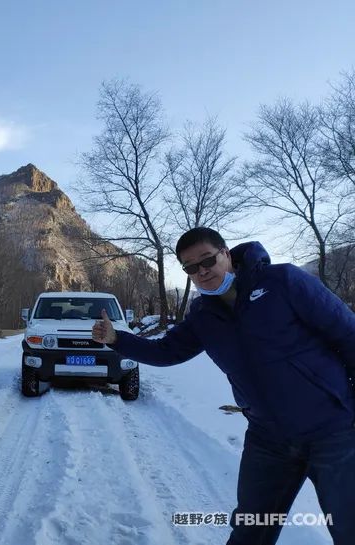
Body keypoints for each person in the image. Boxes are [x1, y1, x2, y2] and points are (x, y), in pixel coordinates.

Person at [92, 227, 355, 545]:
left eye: (207, 260)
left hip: (332, 432)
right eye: (191, 267)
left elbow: (347, 333)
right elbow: (166, 351)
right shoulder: (203, 314)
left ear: (227, 254)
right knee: (250, 530)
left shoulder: (283, 281)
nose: (202, 271)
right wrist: (117, 339)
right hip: (268, 439)